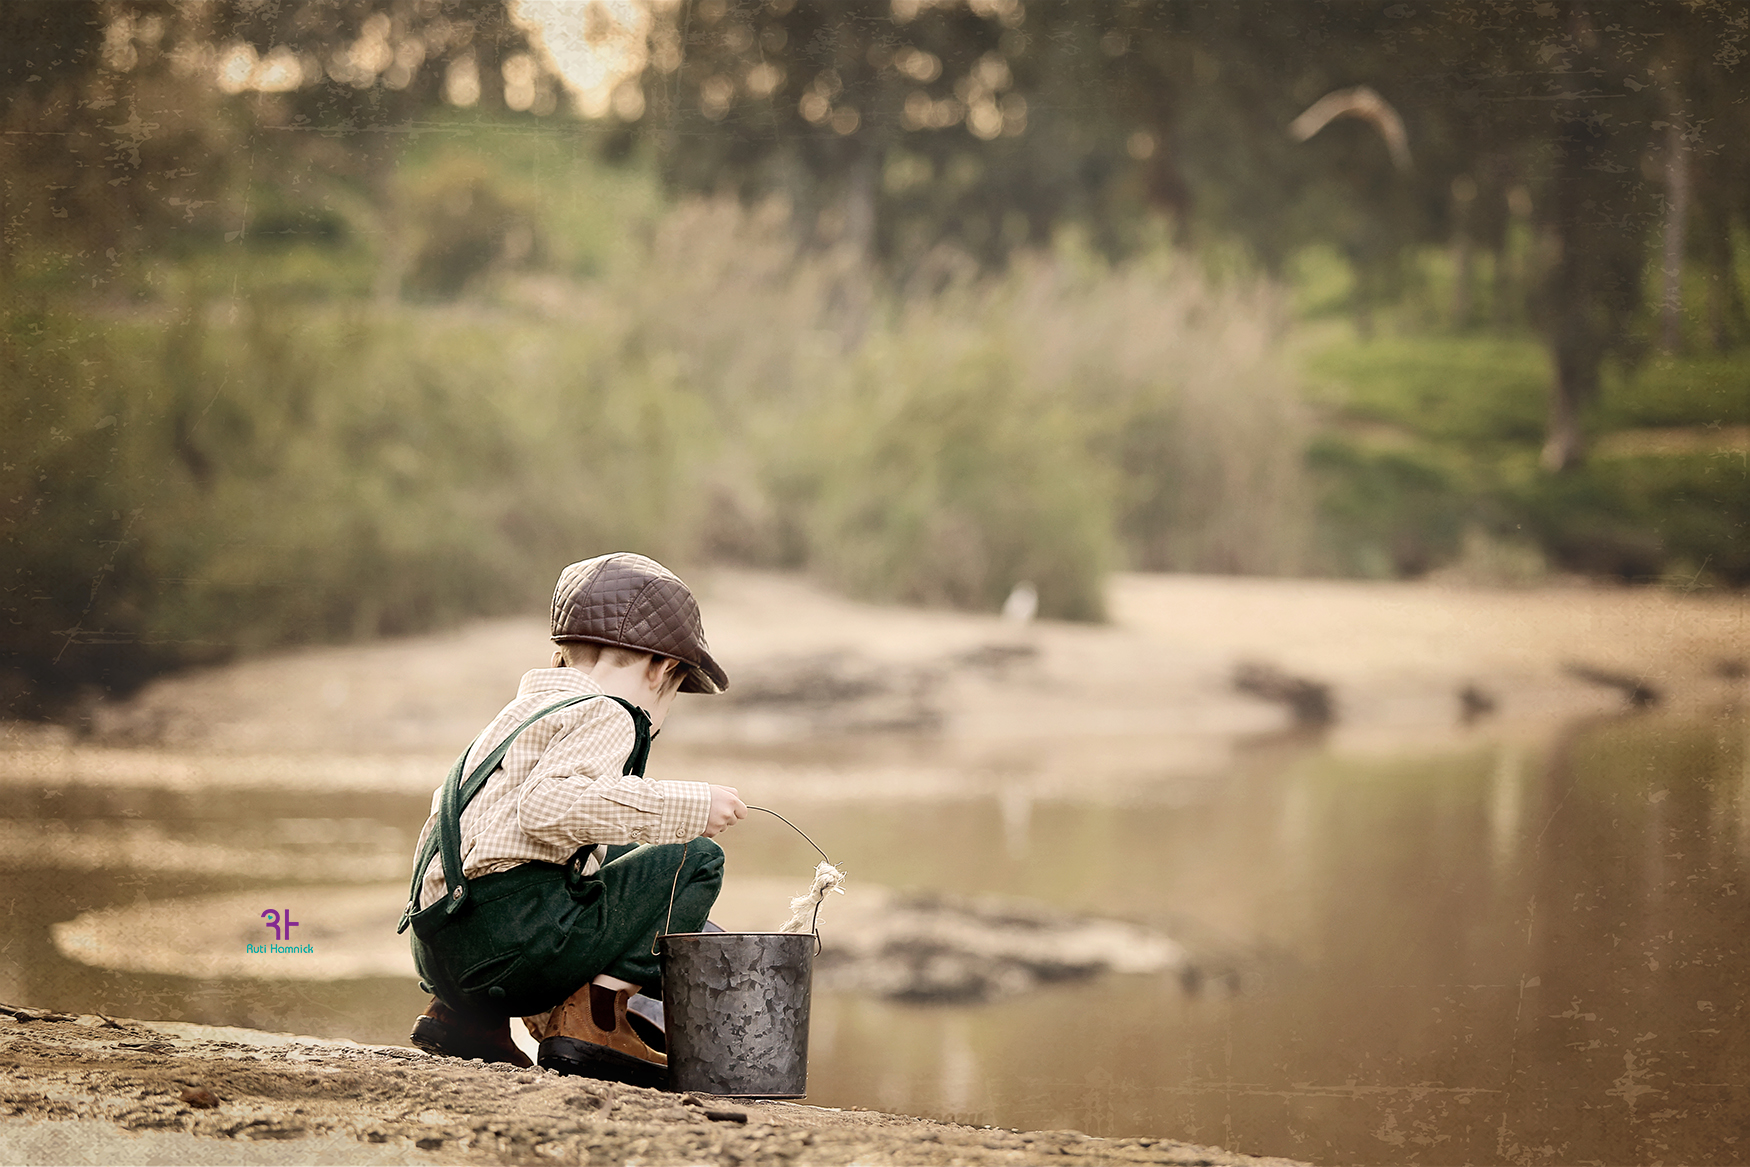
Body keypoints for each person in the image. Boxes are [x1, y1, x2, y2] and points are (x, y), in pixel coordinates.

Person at [398, 552, 745, 1086]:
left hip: (438, 949)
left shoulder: (519, 715)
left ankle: (465, 1020)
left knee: (612, 856)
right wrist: (691, 806)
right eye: (674, 691)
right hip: (510, 944)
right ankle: (596, 1019)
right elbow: (549, 808)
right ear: (662, 668)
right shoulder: (610, 712)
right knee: (694, 860)